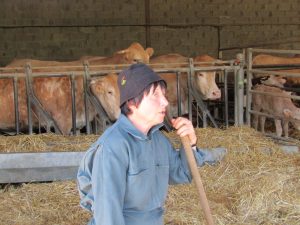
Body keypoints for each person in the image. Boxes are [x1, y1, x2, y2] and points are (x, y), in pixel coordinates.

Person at [77, 63, 226, 225]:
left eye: (164, 94)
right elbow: (108, 215)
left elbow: (181, 173)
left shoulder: (158, 140)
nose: (165, 102)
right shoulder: (113, 147)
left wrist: (190, 144)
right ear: (132, 103)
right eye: (155, 95)